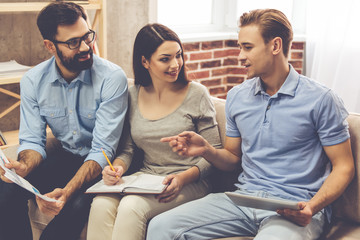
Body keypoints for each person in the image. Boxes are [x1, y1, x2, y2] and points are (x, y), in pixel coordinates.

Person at [146, 9, 355, 240]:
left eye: (247, 47)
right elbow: (233, 158)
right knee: (160, 227)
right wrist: (206, 150)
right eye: (240, 47)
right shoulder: (238, 96)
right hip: (243, 199)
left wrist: (312, 207)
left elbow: (344, 166)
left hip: (295, 206)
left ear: (275, 46)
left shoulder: (322, 99)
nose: (240, 56)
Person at [0, 2, 128, 240]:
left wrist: (67, 191)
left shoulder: (112, 78)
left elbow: (103, 150)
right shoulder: (33, 81)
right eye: (72, 42)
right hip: (67, 157)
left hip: (105, 167)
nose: (85, 47)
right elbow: (32, 140)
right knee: (5, 189)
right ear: (50, 46)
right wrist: (24, 167)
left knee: (68, 218)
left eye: (87, 37)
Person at [86, 23, 221, 240]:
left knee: (132, 206)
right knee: (101, 202)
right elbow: (128, 150)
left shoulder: (197, 94)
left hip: (191, 181)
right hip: (147, 178)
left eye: (178, 55)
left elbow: (214, 152)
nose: (175, 64)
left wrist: (183, 178)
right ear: (144, 61)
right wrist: (117, 169)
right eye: (165, 59)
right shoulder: (132, 95)